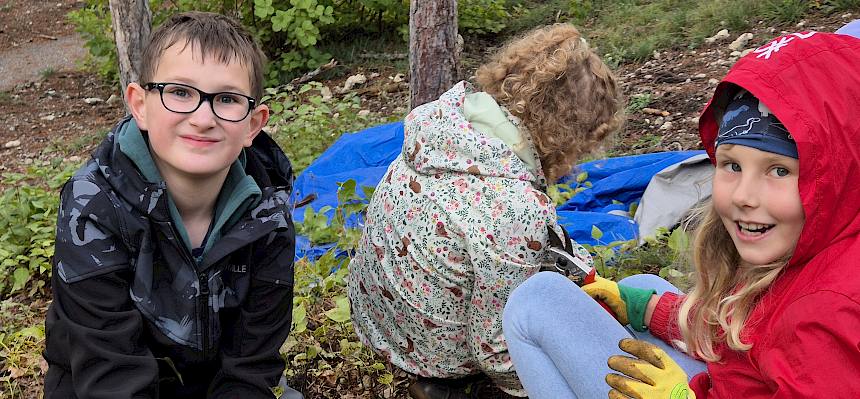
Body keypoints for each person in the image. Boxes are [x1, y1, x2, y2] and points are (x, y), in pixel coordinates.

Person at [502, 29, 860, 398]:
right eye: (732, 165)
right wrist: (645, 308)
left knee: (537, 300)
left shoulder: (823, 314)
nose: (743, 196)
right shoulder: (809, 247)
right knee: (643, 287)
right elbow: (746, 332)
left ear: (840, 173)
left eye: (779, 170)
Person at [347, 23, 624, 398]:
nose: (576, 161)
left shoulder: (446, 121)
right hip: (430, 352)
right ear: (568, 134)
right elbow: (493, 349)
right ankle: (452, 389)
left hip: (375, 315)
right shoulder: (515, 209)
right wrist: (539, 380)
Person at [43, 12, 297, 398]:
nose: (202, 118)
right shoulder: (92, 207)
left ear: (253, 124)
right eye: (180, 92)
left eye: (227, 99)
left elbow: (250, 367)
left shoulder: (269, 216)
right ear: (140, 104)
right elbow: (111, 374)